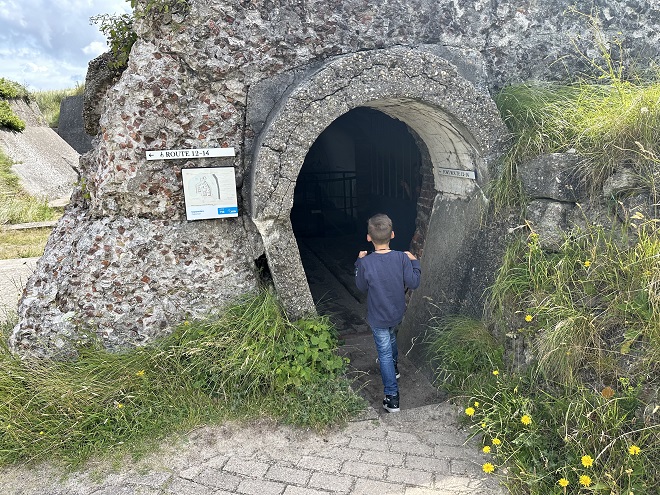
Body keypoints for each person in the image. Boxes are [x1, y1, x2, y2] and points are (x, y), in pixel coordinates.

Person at [354, 213, 421, 412]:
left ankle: (392, 397)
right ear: (392, 234)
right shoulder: (402, 258)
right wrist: (415, 262)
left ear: (368, 238)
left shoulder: (366, 263)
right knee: (391, 336)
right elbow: (414, 282)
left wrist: (359, 262)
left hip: (378, 316)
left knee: (383, 353)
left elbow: (361, 286)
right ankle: (394, 369)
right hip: (396, 313)